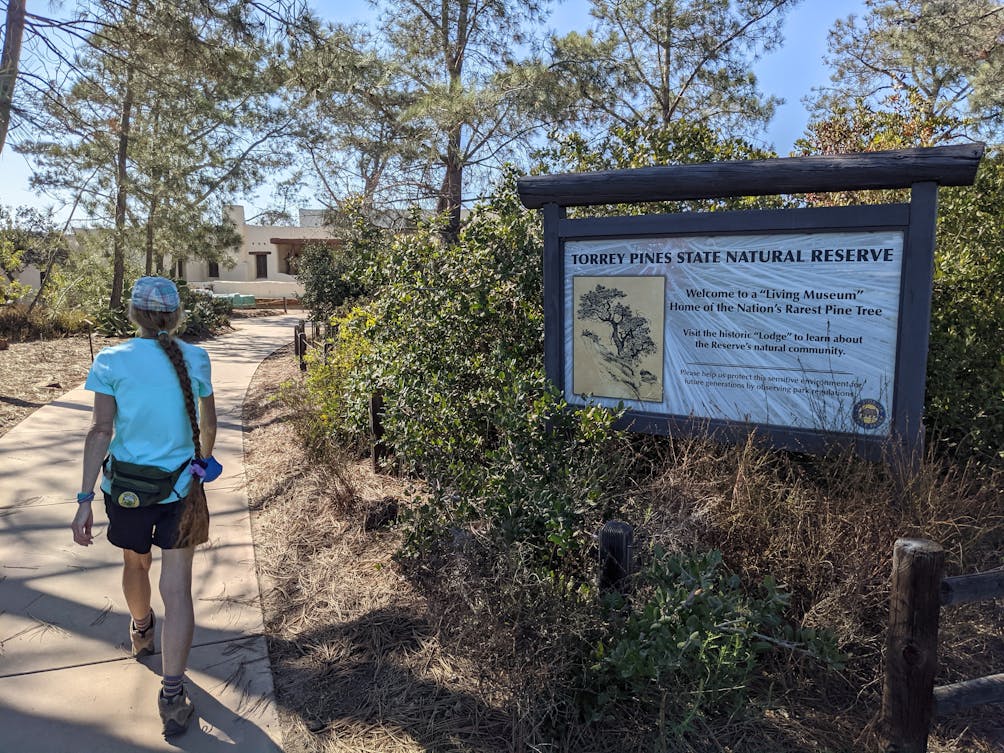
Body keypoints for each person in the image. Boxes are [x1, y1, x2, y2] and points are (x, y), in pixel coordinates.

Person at [71, 276, 220, 737]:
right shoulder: (195, 357)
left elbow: (100, 431)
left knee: (136, 566)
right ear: (176, 316)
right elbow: (208, 422)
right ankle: (172, 695)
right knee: (178, 591)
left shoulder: (112, 359)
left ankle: (140, 630)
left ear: (133, 314)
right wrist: (202, 463)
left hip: (127, 493)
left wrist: (84, 499)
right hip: (180, 490)